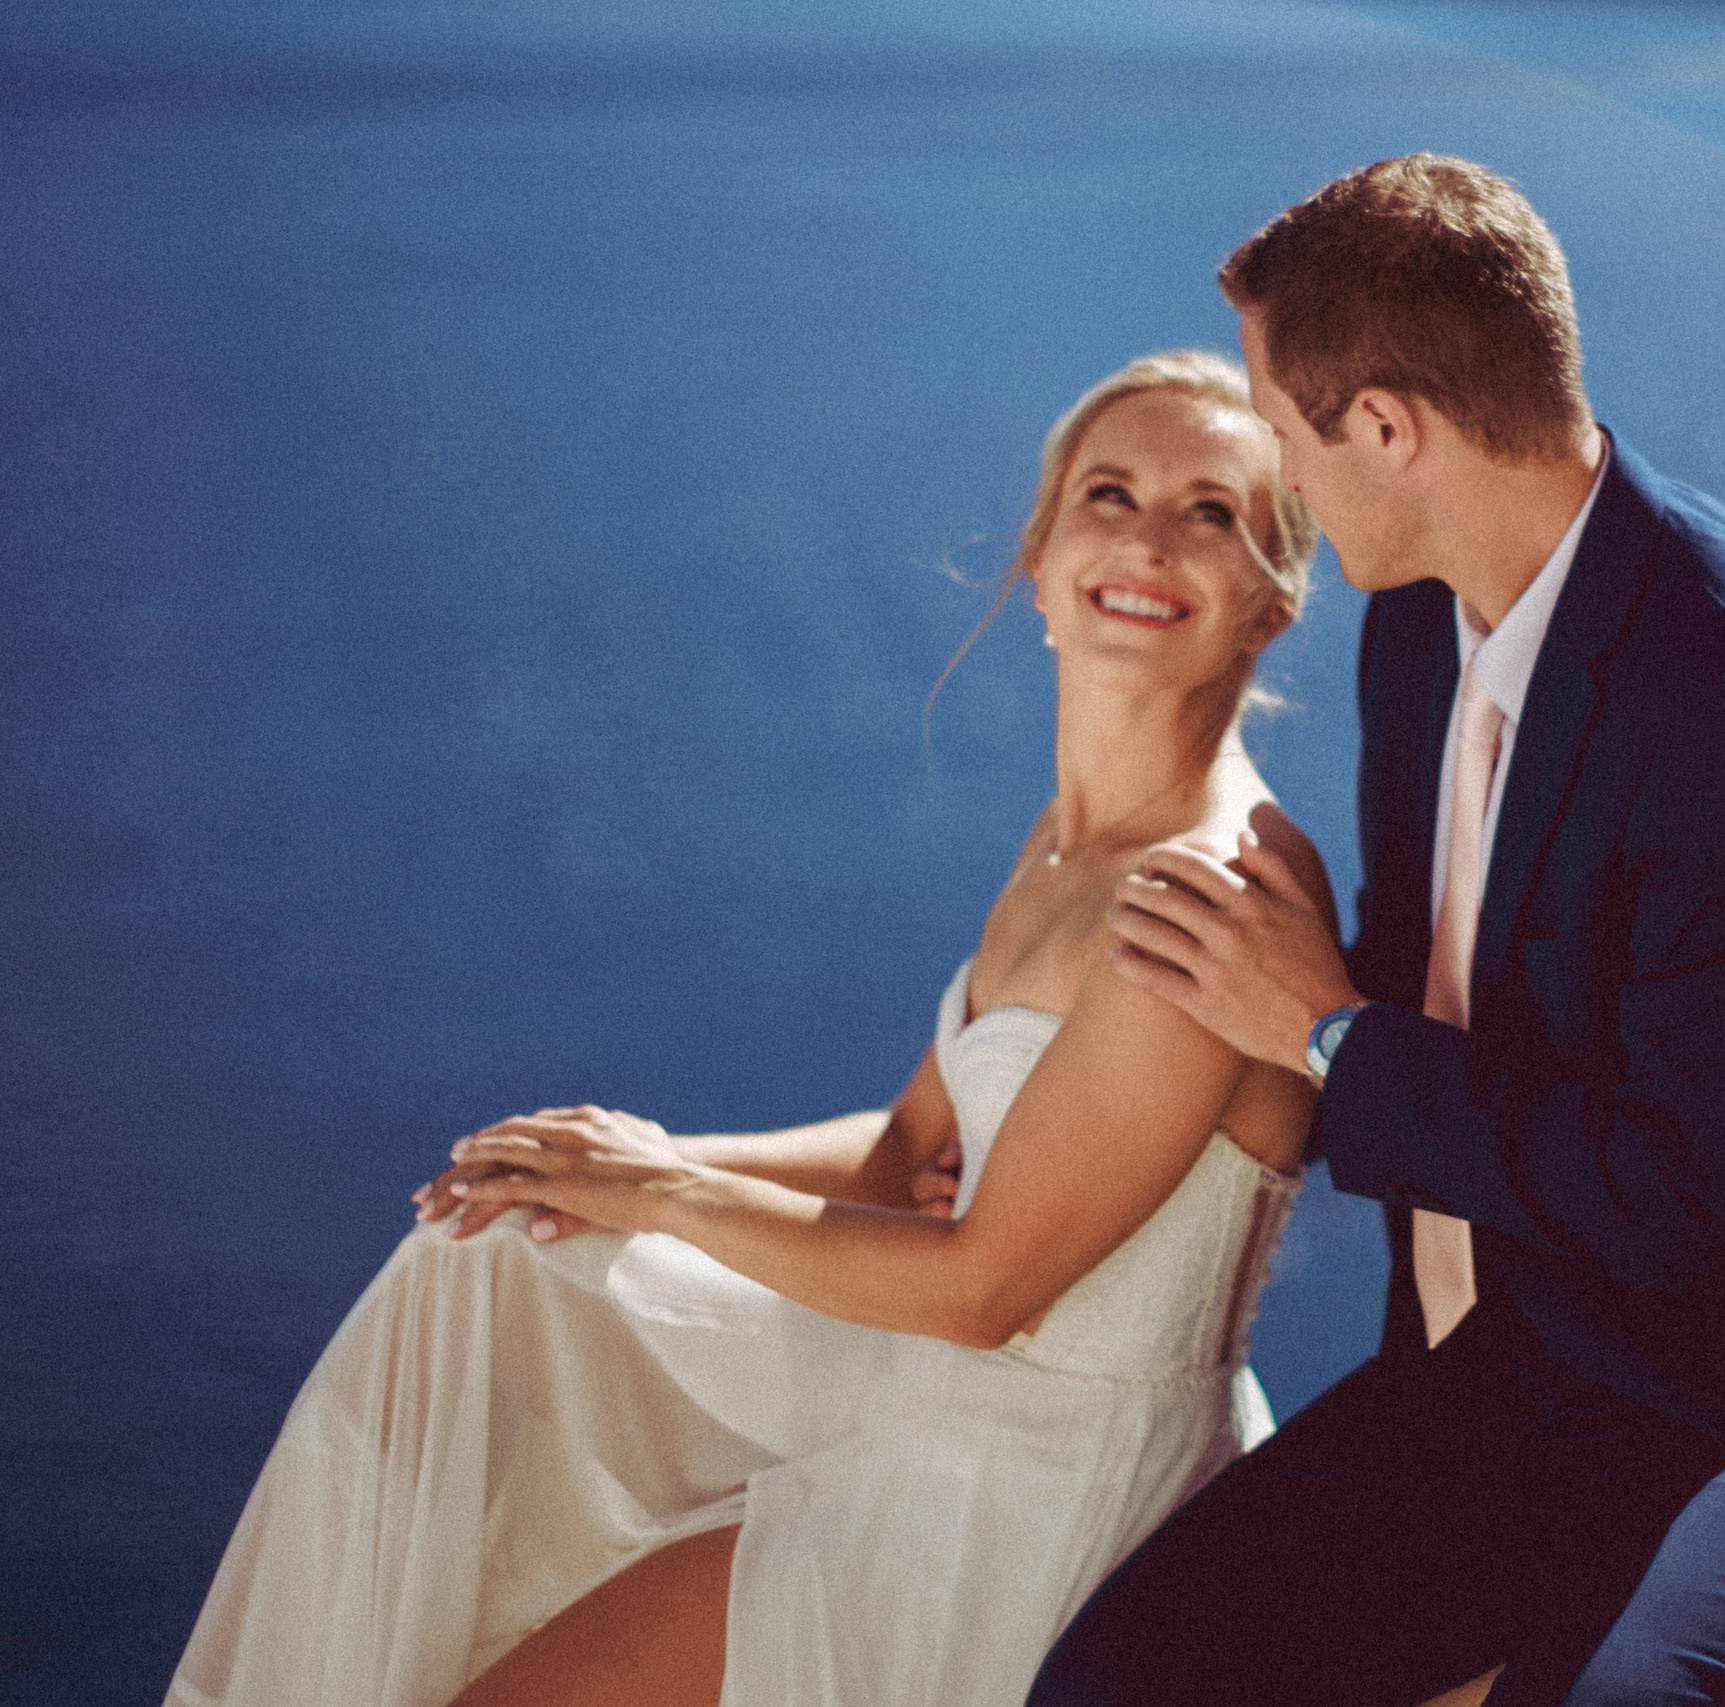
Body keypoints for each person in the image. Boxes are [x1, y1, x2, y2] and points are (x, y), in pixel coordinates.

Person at [1037, 156, 1725, 1707]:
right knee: (1120, 1683)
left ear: (1386, 430)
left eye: (1283, 434)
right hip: (1537, 1372)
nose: (1283, 480)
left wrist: (1331, 1031)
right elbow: (1430, 1001)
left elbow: (1677, 1195)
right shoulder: (1419, 622)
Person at [165, 349, 1330, 1707]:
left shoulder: (1197, 895)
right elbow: (912, 1141)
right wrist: (622, 1159)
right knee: (486, 1254)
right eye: (1109, 492)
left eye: (1212, 512)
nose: (1146, 537)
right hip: (941, 1427)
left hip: (1034, 1505)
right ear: (1040, 552)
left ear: (1272, 600)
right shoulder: (1070, 853)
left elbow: (983, 1286)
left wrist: (665, 1193)